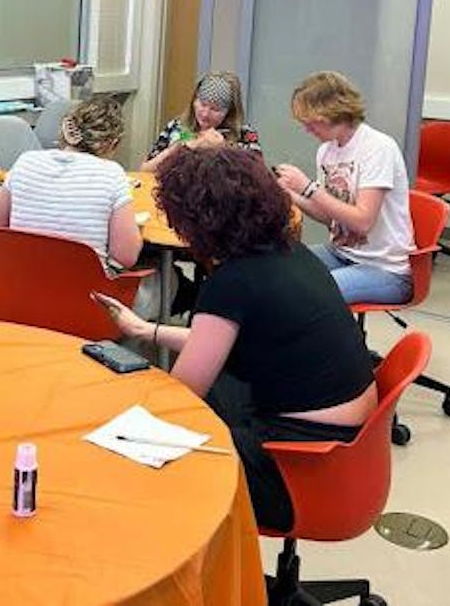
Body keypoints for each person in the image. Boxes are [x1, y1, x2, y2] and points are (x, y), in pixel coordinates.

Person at [94, 147, 376, 532]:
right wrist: (147, 330)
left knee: (151, 442)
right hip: (350, 449)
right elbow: (220, 341)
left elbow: (184, 392)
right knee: (219, 389)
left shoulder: (231, 283)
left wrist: (113, 409)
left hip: (300, 465)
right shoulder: (290, 253)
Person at [274, 70, 414, 305]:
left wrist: (308, 188)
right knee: (272, 270)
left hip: (384, 270)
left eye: (310, 121)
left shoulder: (378, 148)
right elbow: (332, 219)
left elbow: (362, 222)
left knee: (307, 296)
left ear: (330, 112)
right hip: (340, 253)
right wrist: (291, 195)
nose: (307, 129)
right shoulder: (327, 151)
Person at [0, 95, 143, 272]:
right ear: (113, 144)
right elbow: (125, 257)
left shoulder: (25, 162)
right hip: (83, 293)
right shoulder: (112, 175)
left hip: (21, 285)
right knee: (166, 278)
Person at [140, 70, 260, 173]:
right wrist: (179, 147)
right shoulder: (178, 126)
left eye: (215, 109)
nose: (205, 113)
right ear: (194, 100)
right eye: (202, 104)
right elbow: (145, 170)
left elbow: (260, 177)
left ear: (229, 112)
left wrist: (224, 149)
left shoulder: (245, 133)